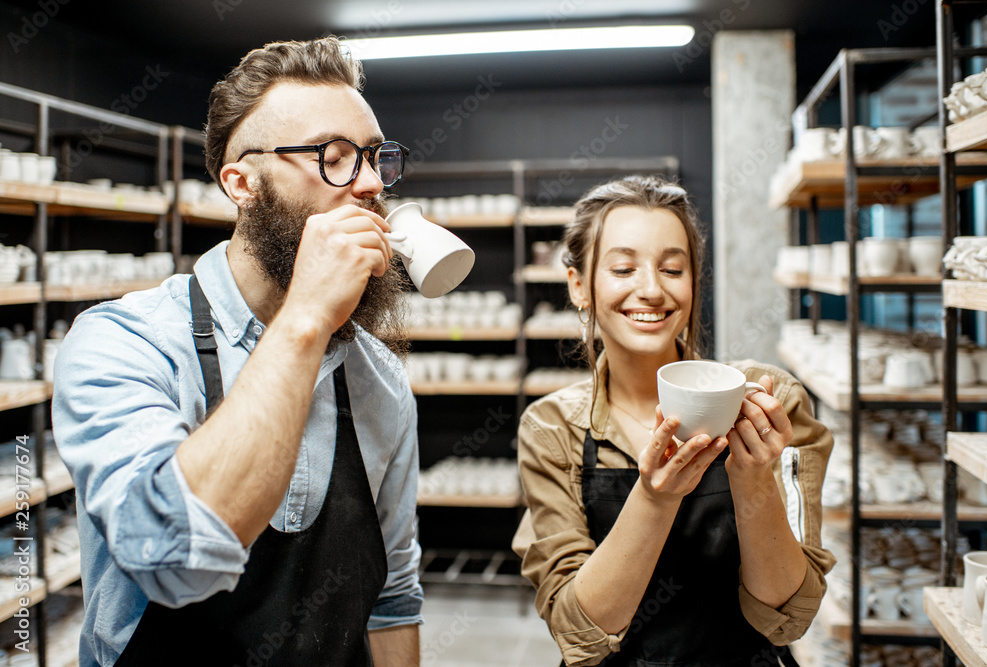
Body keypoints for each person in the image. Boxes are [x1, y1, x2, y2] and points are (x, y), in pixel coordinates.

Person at [52, 37, 422, 667]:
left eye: (374, 158)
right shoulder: (126, 342)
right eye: (334, 158)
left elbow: (391, 598)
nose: (367, 185)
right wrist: (304, 318)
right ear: (242, 183)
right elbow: (176, 560)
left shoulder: (378, 376)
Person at [513, 175, 835, 666]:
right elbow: (580, 634)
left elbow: (787, 617)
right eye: (623, 268)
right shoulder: (552, 428)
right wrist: (655, 497)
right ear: (579, 286)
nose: (651, 290)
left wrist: (753, 481)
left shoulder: (773, 401)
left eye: (672, 269)